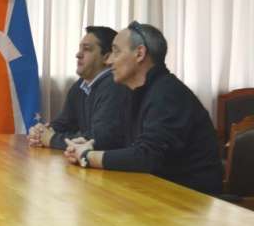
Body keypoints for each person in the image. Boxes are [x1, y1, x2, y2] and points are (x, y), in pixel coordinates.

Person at [65, 22, 223, 196]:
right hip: (154, 190)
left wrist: (88, 156)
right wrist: (89, 145)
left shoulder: (167, 94)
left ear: (139, 53)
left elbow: (147, 157)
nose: (109, 61)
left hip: (191, 199)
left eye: (116, 52)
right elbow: (120, 140)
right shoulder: (134, 91)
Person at [28, 26, 129, 150]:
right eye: (80, 48)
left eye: (86, 49)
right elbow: (65, 123)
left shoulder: (114, 86)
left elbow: (100, 139)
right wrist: (42, 131)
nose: (78, 54)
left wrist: (51, 139)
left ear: (107, 57)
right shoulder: (81, 85)